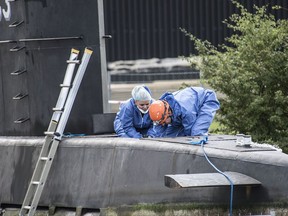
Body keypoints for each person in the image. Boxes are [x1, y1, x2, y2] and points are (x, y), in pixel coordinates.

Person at [149, 86, 220, 137]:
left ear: (169, 113)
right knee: (168, 136)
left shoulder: (186, 111)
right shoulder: (162, 110)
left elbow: (188, 130)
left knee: (196, 133)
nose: (163, 124)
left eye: (164, 122)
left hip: (206, 100)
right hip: (183, 110)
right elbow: (159, 130)